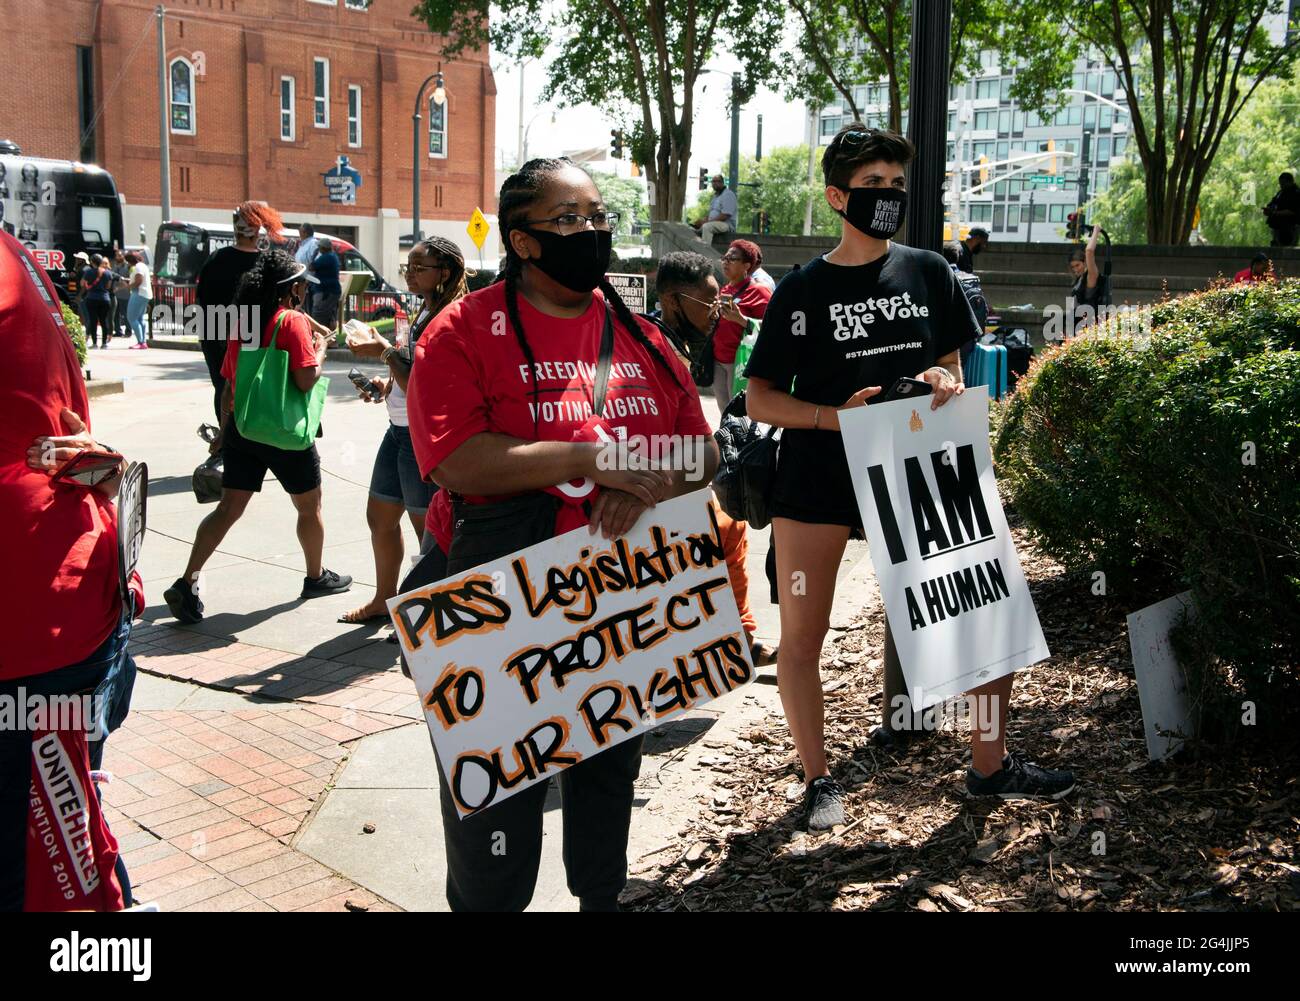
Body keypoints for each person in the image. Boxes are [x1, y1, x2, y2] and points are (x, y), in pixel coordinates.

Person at [406, 157, 718, 912]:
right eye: (570, 219)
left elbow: (703, 453)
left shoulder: (642, 337)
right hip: (498, 590)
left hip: (620, 594)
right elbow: (451, 458)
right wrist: (588, 457)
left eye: (600, 214)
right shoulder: (462, 331)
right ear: (522, 240)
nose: (594, 231)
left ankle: (600, 898)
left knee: (610, 771)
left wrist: (644, 484)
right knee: (497, 804)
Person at [744, 124, 1075, 831]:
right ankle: (818, 778)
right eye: (872, 187)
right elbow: (762, 397)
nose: (887, 197)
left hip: (918, 460)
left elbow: (953, 366)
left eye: (896, 185)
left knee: (983, 618)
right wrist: (837, 416)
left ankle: (991, 766)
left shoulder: (930, 272)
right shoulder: (801, 290)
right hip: (819, 476)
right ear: (837, 196)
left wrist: (939, 380)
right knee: (804, 635)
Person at [2, 231, 140, 910]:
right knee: (69, 836)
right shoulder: (19, 258)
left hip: (37, 620)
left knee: (47, 860)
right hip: (75, 596)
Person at [163, 250, 352, 624]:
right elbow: (305, 379)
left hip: (244, 429)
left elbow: (229, 385)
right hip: (285, 434)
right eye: (301, 285)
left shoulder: (244, 323)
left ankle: (187, 581)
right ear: (292, 289)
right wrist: (322, 348)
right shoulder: (292, 322)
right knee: (309, 507)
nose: (303, 291)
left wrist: (224, 432)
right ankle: (316, 577)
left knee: (228, 509)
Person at [652, 250, 777, 666]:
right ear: (672, 302)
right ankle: (726, 639)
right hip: (649, 482)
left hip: (673, 474)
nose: (715, 313)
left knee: (731, 524)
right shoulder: (651, 346)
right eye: (708, 304)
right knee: (726, 525)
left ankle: (736, 636)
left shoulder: (673, 342)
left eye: (719, 303)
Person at [338, 236, 468, 624]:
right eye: (406, 268)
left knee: (427, 536)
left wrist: (383, 350)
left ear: (443, 273)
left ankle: (426, 616)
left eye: (418, 268)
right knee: (379, 516)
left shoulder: (450, 317)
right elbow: (408, 373)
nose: (409, 274)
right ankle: (385, 599)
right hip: (397, 429)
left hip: (422, 437)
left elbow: (423, 386)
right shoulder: (424, 311)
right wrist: (384, 386)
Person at [196, 202, 282, 420]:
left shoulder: (215, 260)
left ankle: (225, 440)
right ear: (258, 229)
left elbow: (203, 301)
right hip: (254, 335)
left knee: (223, 387)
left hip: (216, 333)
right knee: (253, 388)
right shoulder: (265, 262)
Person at [711, 239, 772, 411]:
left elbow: (772, 327)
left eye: (732, 258)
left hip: (740, 363)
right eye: (724, 257)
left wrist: (742, 320)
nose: (725, 261)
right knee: (724, 412)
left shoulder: (759, 291)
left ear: (746, 265)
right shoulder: (724, 290)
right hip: (718, 361)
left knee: (740, 413)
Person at [1068, 221, 1105, 328]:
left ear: (1085, 263)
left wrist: (1096, 231)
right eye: (1073, 267)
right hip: (1077, 324)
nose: (1075, 269)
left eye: (1077, 265)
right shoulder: (1078, 280)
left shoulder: (1091, 276)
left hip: (1088, 324)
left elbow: (1089, 251)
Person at [692, 174, 738, 245]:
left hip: (727, 224)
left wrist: (707, 222)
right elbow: (711, 214)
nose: (715, 183)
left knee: (707, 227)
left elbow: (725, 215)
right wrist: (703, 221)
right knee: (693, 229)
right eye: (713, 181)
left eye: (718, 181)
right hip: (714, 223)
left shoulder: (728, 194)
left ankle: (705, 251)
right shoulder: (715, 197)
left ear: (722, 183)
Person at [80, 254, 114, 349]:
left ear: (92, 262)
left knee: (93, 321)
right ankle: (104, 343)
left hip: (92, 298)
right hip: (105, 298)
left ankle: (94, 343)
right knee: (104, 321)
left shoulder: (88, 272)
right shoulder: (108, 273)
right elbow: (108, 286)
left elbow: (82, 283)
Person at [309, 236, 341, 331]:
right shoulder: (332, 256)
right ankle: (331, 340)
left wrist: (315, 255)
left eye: (319, 247)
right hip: (332, 291)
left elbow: (311, 266)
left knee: (318, 316)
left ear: (323, 248)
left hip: (325, 292)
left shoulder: (326, 257)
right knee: (330, 317)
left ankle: (321, 337)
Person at [123, 252, 152, 349]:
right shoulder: (143, 266)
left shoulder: (138, 267)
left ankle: (140, 341)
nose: (127, 264)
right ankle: (143, 342)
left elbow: (138, 280)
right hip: (145, 294)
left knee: (131, 317)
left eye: (128, 261)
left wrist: (128, 286)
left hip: (138, 293)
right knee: (140, 318)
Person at [1262, 172, 1299, 247]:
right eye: (1281, 184)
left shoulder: (1296, 193)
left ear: (1290, 182)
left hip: (1290, 227)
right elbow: (1273, 203)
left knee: (1288, 249)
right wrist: (1269, 210)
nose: (1282, 186)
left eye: (1284, 183)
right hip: (1277, 226)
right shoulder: (1280, 193)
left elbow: (1293, 211)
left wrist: (1275, 213)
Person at [295, 222, 319, 314]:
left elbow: (315, 264)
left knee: (309, 312)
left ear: (305, 232)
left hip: (310, 285)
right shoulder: (302, 245)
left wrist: (309, 279)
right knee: (302, 311)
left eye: (300, 230)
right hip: (301, 284)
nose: (298, 232)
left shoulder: (314, 244)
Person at [111, 248, 132, 339]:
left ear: (124, 256)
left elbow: (130, 281)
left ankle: (128, 330)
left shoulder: (128, 266)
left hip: (125, 294)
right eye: (117, 255)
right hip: (115, 294)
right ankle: (118, 330)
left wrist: (120, 284)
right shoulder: (115, 266)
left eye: (120, 255)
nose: (118, 257)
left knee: (126, 313)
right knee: (116, 313)